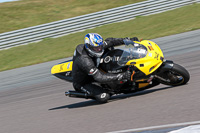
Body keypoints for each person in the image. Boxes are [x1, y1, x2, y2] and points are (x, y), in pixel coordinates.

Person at [72, 33, 139, 103]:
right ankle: (106, 89)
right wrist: (121, 76)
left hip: (96, 66)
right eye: (96, 48)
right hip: (85, 81)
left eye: (100, 46)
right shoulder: (85, 60)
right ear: (89, 47)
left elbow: (111, 41)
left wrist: (128, 40)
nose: (99, 49)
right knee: (104, 96)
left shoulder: (96, 46)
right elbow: (99, 77)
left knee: (110, 51)